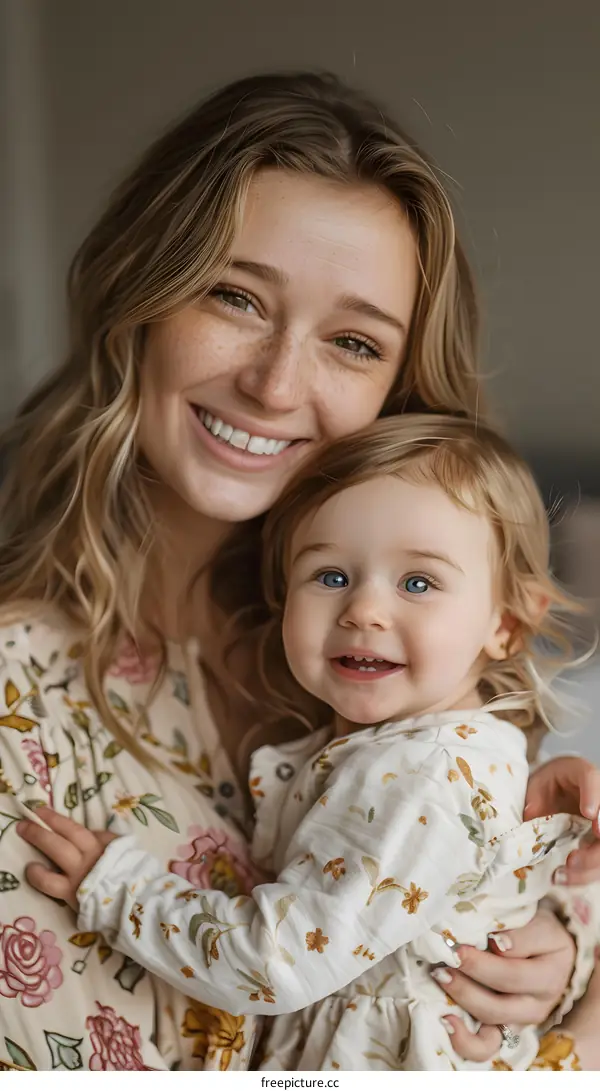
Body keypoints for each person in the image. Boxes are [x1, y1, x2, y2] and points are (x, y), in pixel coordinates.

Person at [0, 71, 597, 1072]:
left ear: (400, 396)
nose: (275, 382)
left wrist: (557, 944)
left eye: (352, 342)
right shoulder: (26, 701)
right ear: (138, 297)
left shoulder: (390, 669)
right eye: (234, 295)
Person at [18, 415, 595, 1071]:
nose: (364, 611)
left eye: (417, 583)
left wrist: (118, 888)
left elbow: (277, 961)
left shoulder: (427, 774)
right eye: (330, 575)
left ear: (509, 626)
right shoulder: (403, 750)